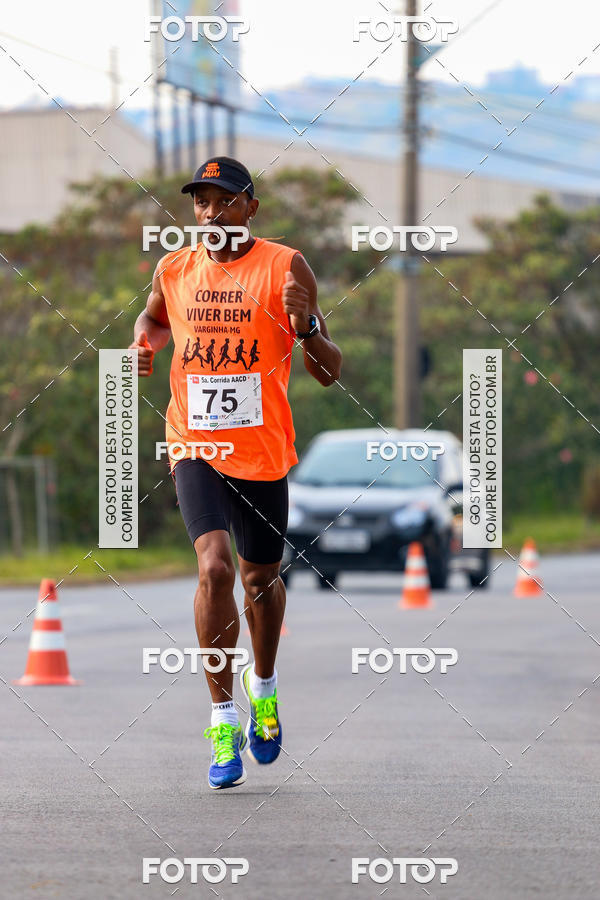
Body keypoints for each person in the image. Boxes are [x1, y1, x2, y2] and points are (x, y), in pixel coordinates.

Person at [129, 156, 342, 789]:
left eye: (224, 201)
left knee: (258, 578)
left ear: (251, 207)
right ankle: (222, 719)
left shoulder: (285, 266)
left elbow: (329, 370)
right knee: (214, 567)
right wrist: (144, 344)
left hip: (262, 452)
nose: (210, 213)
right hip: (193, 444)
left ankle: (265, 688)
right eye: (201, 202)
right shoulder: (176, 268)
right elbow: (152, 318)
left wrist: (305, 326)